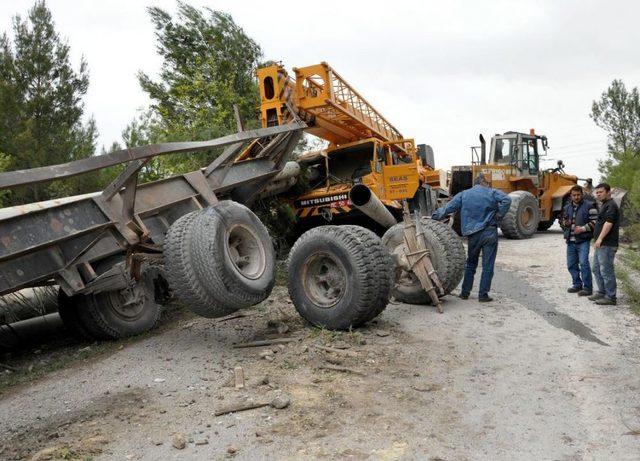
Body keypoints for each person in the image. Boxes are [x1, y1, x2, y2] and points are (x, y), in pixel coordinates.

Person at [432, 173, 511, 302]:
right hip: (489, 232)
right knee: (488, 265)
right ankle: (483, 295)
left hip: (473, 234)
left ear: (475, 183)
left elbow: (448, 208)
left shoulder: (464, 194)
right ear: (484, 182)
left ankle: (465, 293)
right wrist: (499, 215)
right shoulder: (492, 192)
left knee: (471, 264)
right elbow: (507, 200)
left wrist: (435, 216)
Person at [561, 185, 598, 296]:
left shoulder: (590, 206)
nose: (576, 197)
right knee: (571, 264)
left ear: (582, 194)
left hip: (583, 240)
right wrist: (564, 223)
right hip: (570, 241)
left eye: (578, 195)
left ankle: (587, 288)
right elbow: (562, 221)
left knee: (584, 263)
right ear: (571, 196)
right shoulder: (567, 207)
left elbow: (596, 222)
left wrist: (582, 229)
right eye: (574, 195)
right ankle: (577, 284)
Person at [588, 183, 620, 305]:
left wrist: (600, 238)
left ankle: (611, 297)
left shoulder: (611, 205)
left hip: (607, 243)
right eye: (597, 192)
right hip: (601, 244)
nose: (598, 194)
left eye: (601, 192)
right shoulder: (605, 205)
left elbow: (608, 223)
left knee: (606, 270)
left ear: (608, 192)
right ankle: (601, 292)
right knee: (596, 268)